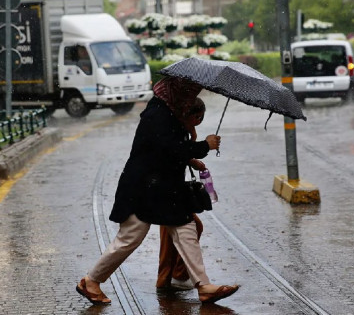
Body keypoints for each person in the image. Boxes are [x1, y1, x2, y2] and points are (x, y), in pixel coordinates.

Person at [76, 77, 240, 305]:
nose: (189, 99)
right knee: (130, 237)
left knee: (185, 229)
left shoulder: (169, 112)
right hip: (143, 189)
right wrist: (204, 146)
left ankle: (204, 286)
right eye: (187, 94)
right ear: (177, 93)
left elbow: (165, 150)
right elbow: (169, 148)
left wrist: (191, 157)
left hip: (164, 189)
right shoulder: (159, 115)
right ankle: (91, 281)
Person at [156, 97, 207, 291]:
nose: (199, 122)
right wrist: (201, 146)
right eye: (197, 117)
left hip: (172, 188)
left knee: (174, 235)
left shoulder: (185, 130)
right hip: (165, 189)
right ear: (187, 114)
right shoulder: (173, 129)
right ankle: (171, 277)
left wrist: (192, 161)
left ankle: (173, 276)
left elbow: (180, 153)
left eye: (201, 118)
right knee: (172, 236)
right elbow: (171, 153)